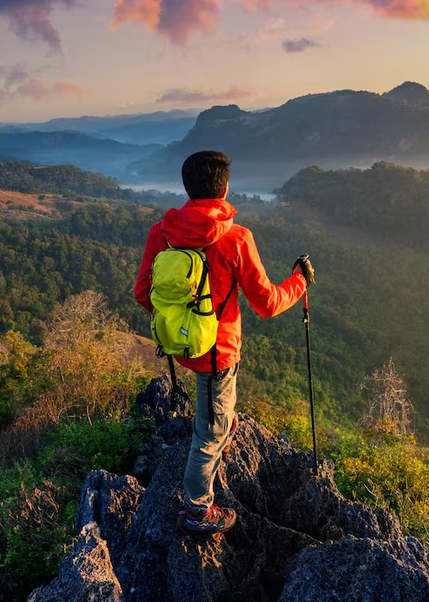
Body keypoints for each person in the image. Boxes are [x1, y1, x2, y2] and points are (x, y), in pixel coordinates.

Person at [134, 150, 315, 535]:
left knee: (215, 413)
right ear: (225, 188)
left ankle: (222, 424)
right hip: (219, 353)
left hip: (182, 346)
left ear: (187, 187)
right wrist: (298, 282)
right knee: (207, 436)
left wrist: (180, 322)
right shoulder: (236, 238)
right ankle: (197, 511)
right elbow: (266, 304)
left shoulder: (162, 233)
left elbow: (143, 293)